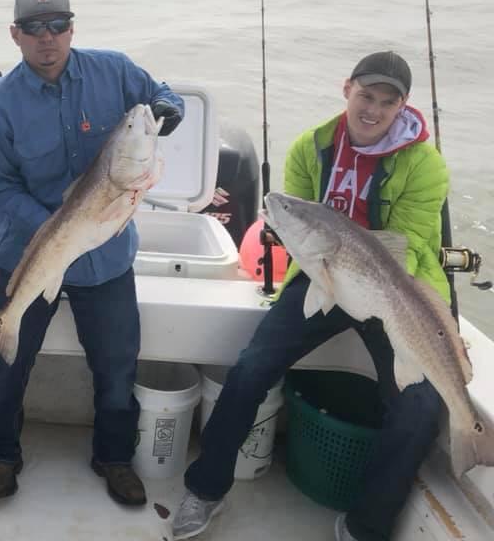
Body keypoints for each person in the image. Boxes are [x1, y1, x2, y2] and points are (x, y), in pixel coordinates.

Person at [169, 51, 449, 541]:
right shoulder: (310, 147)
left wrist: (375, 292)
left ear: (402, 106)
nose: (373, 109)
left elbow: (411, 245)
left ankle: (365, 526)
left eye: (388, 102)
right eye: (366, 95)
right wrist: (327, 271)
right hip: (320, 276)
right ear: (347, 89)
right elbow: (290, 219)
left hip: (397, 288)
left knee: (420, 407)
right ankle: (206, 489)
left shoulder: (425, 166)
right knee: (252, 367)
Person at [0, 0, 185, 506]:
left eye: (58, 25)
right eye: (34, 29)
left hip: (107, 258)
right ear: (15, 35)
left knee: (117, 369)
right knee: (4, 370)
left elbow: (163, 95)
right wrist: (55, 227)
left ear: (72, 28)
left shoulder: (113, 70)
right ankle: (2, 455)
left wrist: (164, 110)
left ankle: (112, 458)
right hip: (30, 253)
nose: (48, 38)